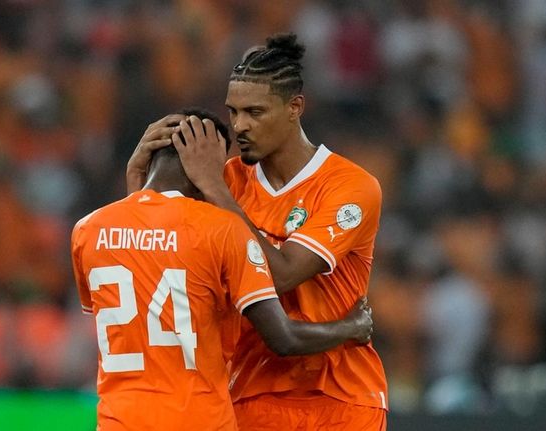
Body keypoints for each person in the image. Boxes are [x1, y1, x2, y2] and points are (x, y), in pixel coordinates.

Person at [127, 34, 388, 430]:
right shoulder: (226, 178)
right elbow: (154, 250)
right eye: (233, 112)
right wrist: (136, 177)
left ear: (294, 108)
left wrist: (214, 189)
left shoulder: (350, 186)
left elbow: (282, 274)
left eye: (254, 112)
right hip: (251, 392)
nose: (239, 126)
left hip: (341, 394)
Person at [73, 107, 373, 431]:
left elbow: (143, 250)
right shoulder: (221, 229)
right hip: (199, 419)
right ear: (203, 164)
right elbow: (283, 338)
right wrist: (351, 327)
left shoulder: (89, 230)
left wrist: (135, 178)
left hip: (120, 421)